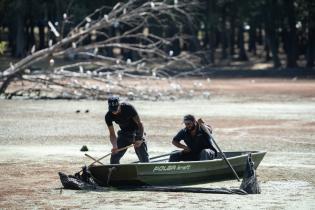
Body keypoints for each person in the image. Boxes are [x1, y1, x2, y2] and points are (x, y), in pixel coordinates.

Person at [105, 96, 149, 164]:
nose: (114, 112)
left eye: (116, 110)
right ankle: (115, 171)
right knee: (114, 157)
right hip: (124, 133)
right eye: (112, 110)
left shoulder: (128, 108)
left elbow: (140, 124)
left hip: (137, 132)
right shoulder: (108, 116)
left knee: (144, 159)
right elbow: (112, 134)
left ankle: (146, 168)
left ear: (119, 105)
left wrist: (140, 138)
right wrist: (114, 146)